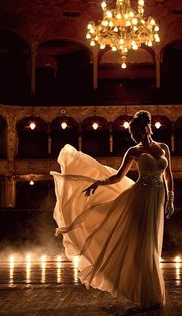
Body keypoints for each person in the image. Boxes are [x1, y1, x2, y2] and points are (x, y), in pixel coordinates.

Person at [50, 110, 174, 310]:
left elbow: (168, 175)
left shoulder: (163, 148)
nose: (137, 134)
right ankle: (144, 296)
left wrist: (171, 199)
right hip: (140, 198)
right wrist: (98, 183)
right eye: (134, 132)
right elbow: (117, 177)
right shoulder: (133, 151)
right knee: (143, 244)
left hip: (157, 198)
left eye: (139, 130)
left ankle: (152, 296)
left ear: (147, 127)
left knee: (152, 244)